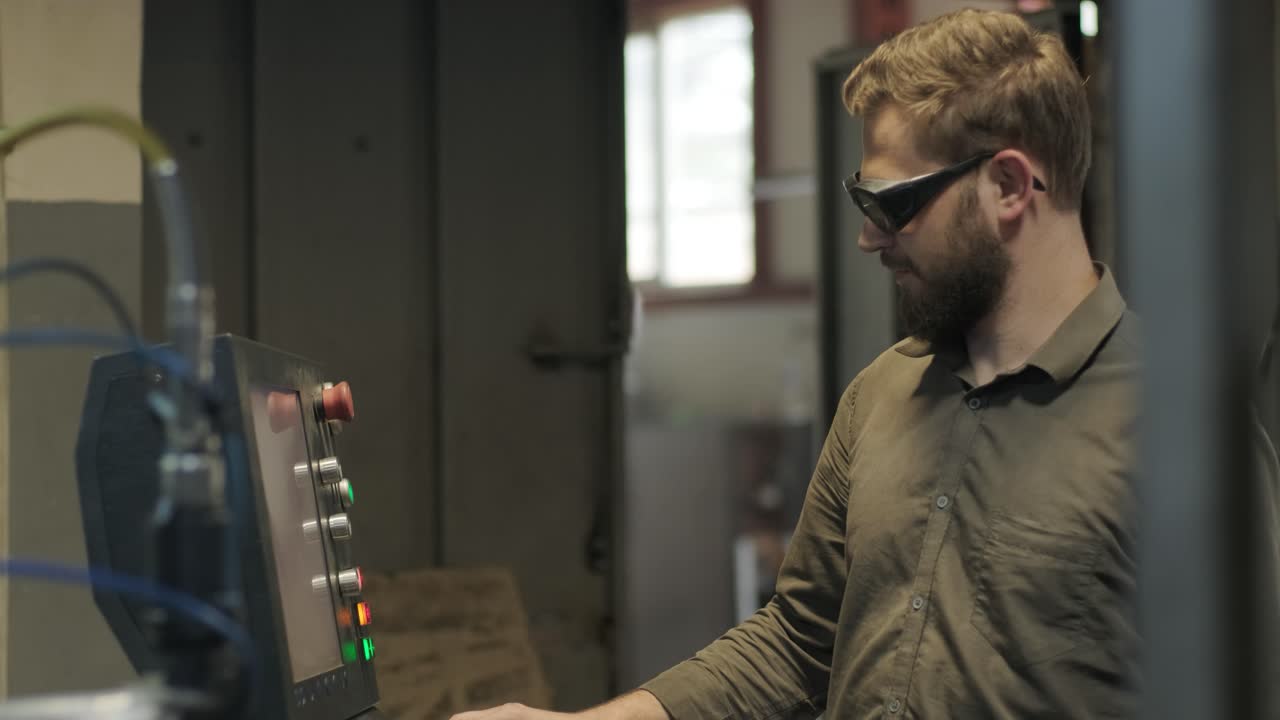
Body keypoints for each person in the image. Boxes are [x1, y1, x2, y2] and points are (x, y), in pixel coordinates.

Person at [456, 8, 1141, 718]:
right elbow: (797, 641)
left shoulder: (1179, 426)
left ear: (1007, 186)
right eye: (861, 201)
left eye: (891, 204)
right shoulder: (881, 397)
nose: (868, 239)